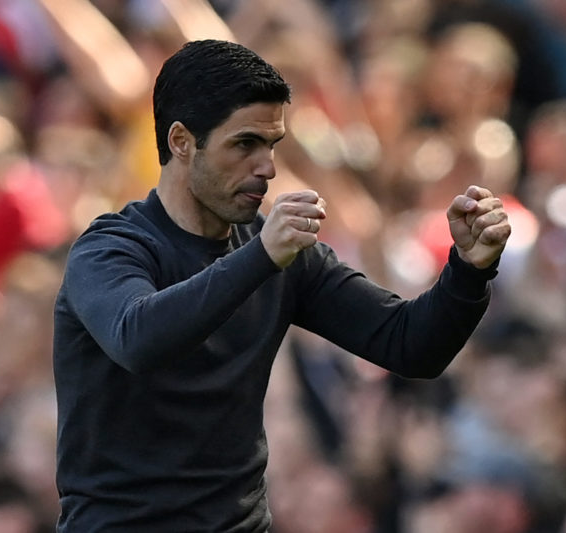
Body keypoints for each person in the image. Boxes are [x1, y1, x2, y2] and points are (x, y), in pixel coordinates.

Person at [52, 39, 511, 532]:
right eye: (244, 144)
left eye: (271, 145)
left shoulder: (277, 252)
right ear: (181, 141)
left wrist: (468, 269)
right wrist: (260, 258)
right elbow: (137, 339)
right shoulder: (109, 250)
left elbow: (411, 345)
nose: (267, 167)